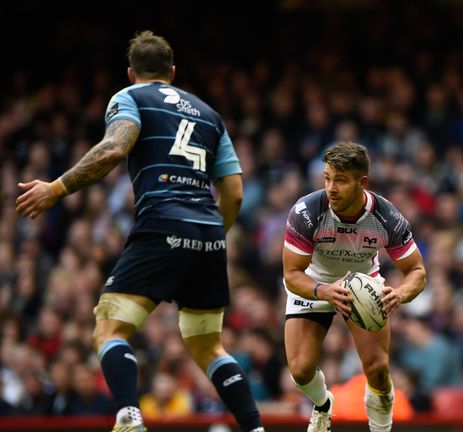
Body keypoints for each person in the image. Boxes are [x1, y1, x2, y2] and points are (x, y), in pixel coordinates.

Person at [15, 31, 264, 432]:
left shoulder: (129, 98)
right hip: (209, 231)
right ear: (173, 71)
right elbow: (234, 191)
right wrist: (214, 234)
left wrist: (56, 188)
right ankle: (255, 428)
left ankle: (129, 416)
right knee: (207, 345)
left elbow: (114, 148)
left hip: (162, 222)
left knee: (110, 327)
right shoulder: (209, 115)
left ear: (131, 73)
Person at [282, 141, 426, 432]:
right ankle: (323, 405)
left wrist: (399, 294)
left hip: (363, 285)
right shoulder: (307, 212)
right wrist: (323, 290)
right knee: (299, 369)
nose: (331, 188)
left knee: (378, 369)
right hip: (315, 283)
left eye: (341, 180)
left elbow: (417, 272)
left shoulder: (387, 217)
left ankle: (381, 429)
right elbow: (292, 274)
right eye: (327, 178)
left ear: (362, 183)